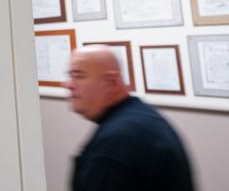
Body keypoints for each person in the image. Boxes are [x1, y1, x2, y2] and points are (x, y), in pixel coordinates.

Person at [66, 45, 194, 191]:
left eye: (79, 75)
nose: (69, 85)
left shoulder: (116, 143)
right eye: (70, 76)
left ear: (111, 82)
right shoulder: (142, 115)